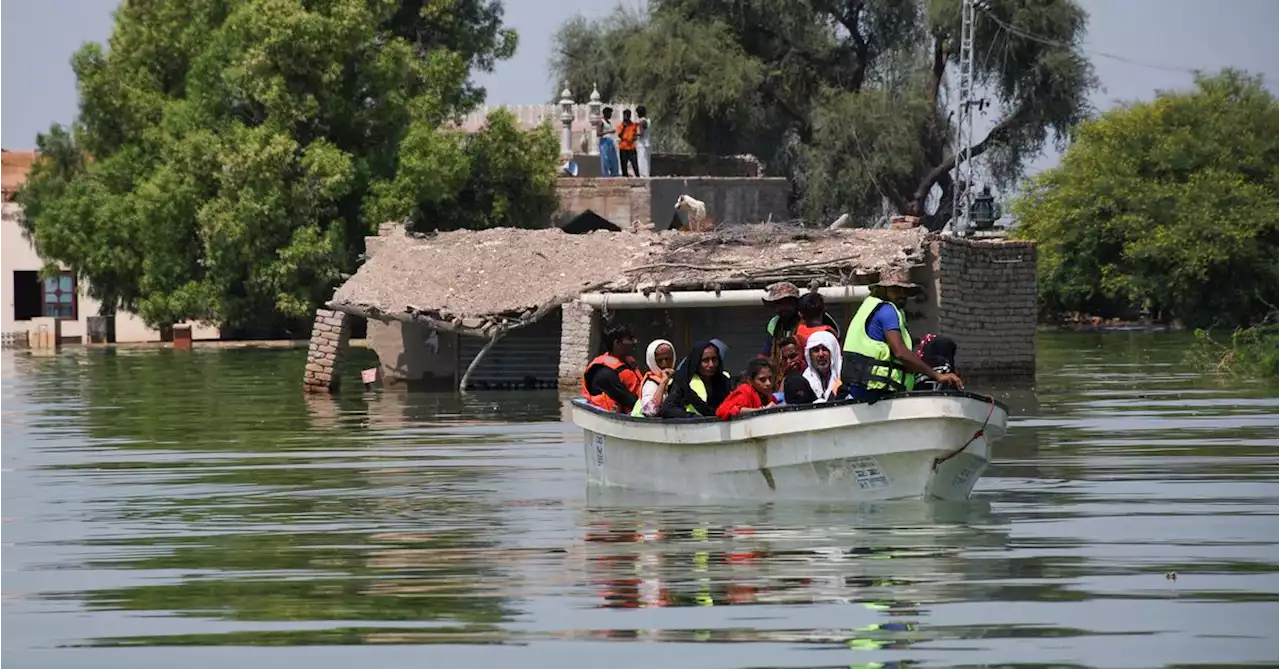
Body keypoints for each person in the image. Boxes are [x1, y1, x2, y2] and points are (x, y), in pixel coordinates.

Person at [842, 267, 964, 399]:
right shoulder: (887, 311)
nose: (902, 294)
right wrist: (937, 375)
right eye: (896, 289)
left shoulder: (868, 306)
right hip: (876, 391)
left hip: (860, 387)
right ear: (884, 289)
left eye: (905, 290)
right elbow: (901, 353)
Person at [661, 340, 732, 418]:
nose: (711, 365)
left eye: (714, 359)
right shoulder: (683, 382)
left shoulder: (723, 381)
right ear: (696, 361)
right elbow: (668, 409)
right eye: (705, 360)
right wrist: (692, 417)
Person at [582, 324, 641, 412]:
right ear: (617, 343)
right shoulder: (606, 373)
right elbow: (632, 402)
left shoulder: (627, 364)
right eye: (629, 339)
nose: (634, 342)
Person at [632, 339, 677, 417]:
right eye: (659, 360)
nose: (664, 364)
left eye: (668, 359)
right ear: (652, 361)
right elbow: (650, 411)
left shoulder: (676, 379)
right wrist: (663, 382)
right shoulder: (650, 384)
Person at [801, 330, 843, 402]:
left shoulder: (845, 374)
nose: (821, 354)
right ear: (810, 355)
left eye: (825, 349)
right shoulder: (806, 378)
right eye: (816, 350)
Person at [617, 109, 640, 177]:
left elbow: (635, 136)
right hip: (623, 147)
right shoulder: (620, 125)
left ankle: (638, 177)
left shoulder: (633, 125)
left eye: (628, 115)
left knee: (635, 164)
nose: (626, 117)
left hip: (632, 147)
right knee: (624, 165)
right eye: (625, 115)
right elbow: (619, 135)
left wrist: (634, 138)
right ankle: (625, 179)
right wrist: (624, 127)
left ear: (630, 116)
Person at [597, 107, 620, 177]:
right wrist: (609, 131)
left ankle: (614, 173)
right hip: (604, 142)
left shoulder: (609, 122)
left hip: (610, 141)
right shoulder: (601, 122)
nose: (611, 115)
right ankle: (605, 175)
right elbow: (598, 134)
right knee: (605, 159)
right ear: (606, 113)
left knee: (613, 159)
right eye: (610, 113)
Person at [635, 105, 652, 177]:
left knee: (642, 161)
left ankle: (643, 177)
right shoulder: (648, 120)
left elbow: (641, 133)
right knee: (647, 161)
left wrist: (634, 134)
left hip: (642, 144)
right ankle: (646, 176)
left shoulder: (641, 122)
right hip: (648, 142)